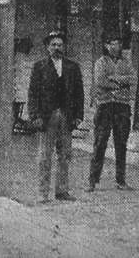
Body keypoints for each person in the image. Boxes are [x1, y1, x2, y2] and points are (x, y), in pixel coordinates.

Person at [28, 31, 85, 203]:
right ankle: (43, 192)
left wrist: (78, 116)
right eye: (53, 45)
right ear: (47, 47)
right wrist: (34, 116)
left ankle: (62, 190)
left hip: (66, 116)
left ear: (64, 47)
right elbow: (33, 93)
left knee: (65, 154)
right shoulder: (39, 67)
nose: (57, 48)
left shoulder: (72, 67)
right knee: (45, 155)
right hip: (47, 116)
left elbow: (79, 93)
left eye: (60, 44)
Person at [86, 36, 135, 192]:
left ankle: (121, 180)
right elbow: (100, 81)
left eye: (119, 43)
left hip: (122, 106)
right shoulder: (101, 62)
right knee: (100, 143)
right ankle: (92, 181)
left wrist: (114, 79)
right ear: (107, 46)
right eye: (113, 43)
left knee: (121, 143)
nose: (116, 46)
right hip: (105, 106)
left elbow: (133, 79)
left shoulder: (126, 62)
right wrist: (120, 83)